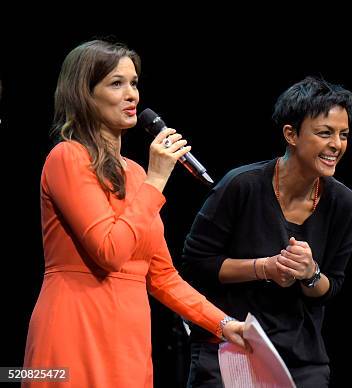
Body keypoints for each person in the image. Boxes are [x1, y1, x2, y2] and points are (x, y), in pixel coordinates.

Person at [23, 40, 248, 388]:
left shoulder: (137, 175)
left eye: (134, 83)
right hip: (73, 331)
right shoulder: (67, 158)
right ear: (84, 94)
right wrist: (157, 179)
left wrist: (222, 324)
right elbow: (110, 251)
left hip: (127, 341)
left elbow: (162, 276)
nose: (132, 95)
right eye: (117, 83)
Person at [181, 76, 352, 387]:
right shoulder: (241, 185)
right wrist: (264, 267)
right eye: (324, 133)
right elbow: (195, 263)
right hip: (231, 345)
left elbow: (330, 288)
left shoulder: (345, 204)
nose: (337, 144)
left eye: (343, 134)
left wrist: (310, 273)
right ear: (291, 134)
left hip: (300, 358)